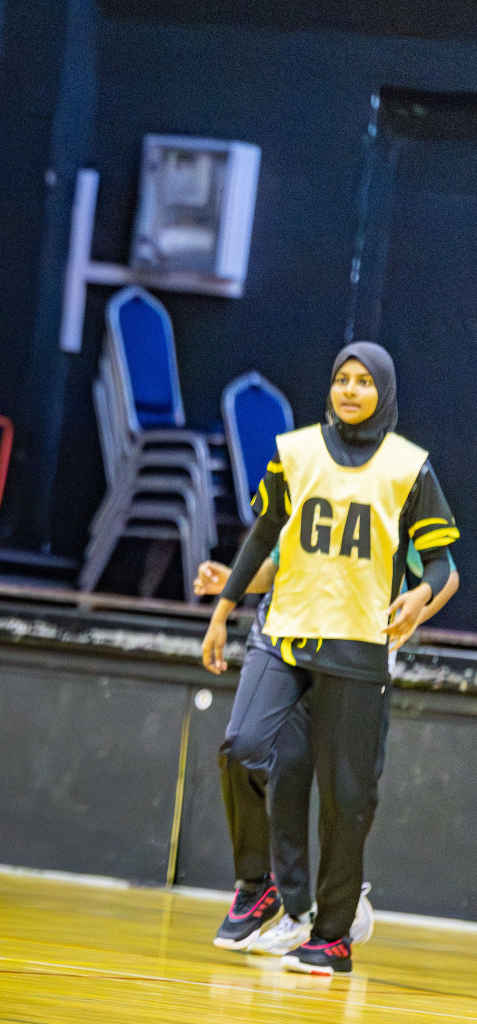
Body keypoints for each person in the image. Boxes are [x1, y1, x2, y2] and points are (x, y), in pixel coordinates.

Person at [200, 342, 458, 977]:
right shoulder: (297, 452)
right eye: (341, 379)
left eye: (363, 382)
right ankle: (260, 886)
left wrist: (419, 597)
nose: (349, 390)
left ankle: (333, 931)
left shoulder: (409, 468)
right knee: (242, 748)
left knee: (347, 797)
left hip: (358, 651)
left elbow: (444, 567)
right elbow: (265, 535)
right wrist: (223, 606)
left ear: (384, 393)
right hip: (285, 636)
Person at [194, 546, 456, 956]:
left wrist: (405, 621)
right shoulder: (309, 483)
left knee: (347, 792)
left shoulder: (401, 485)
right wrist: (232, 580)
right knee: (285, 774)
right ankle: (296, 913)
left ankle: (341, 910)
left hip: (357, 660)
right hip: (296, 647)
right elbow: (276, 565)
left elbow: (446, 575)